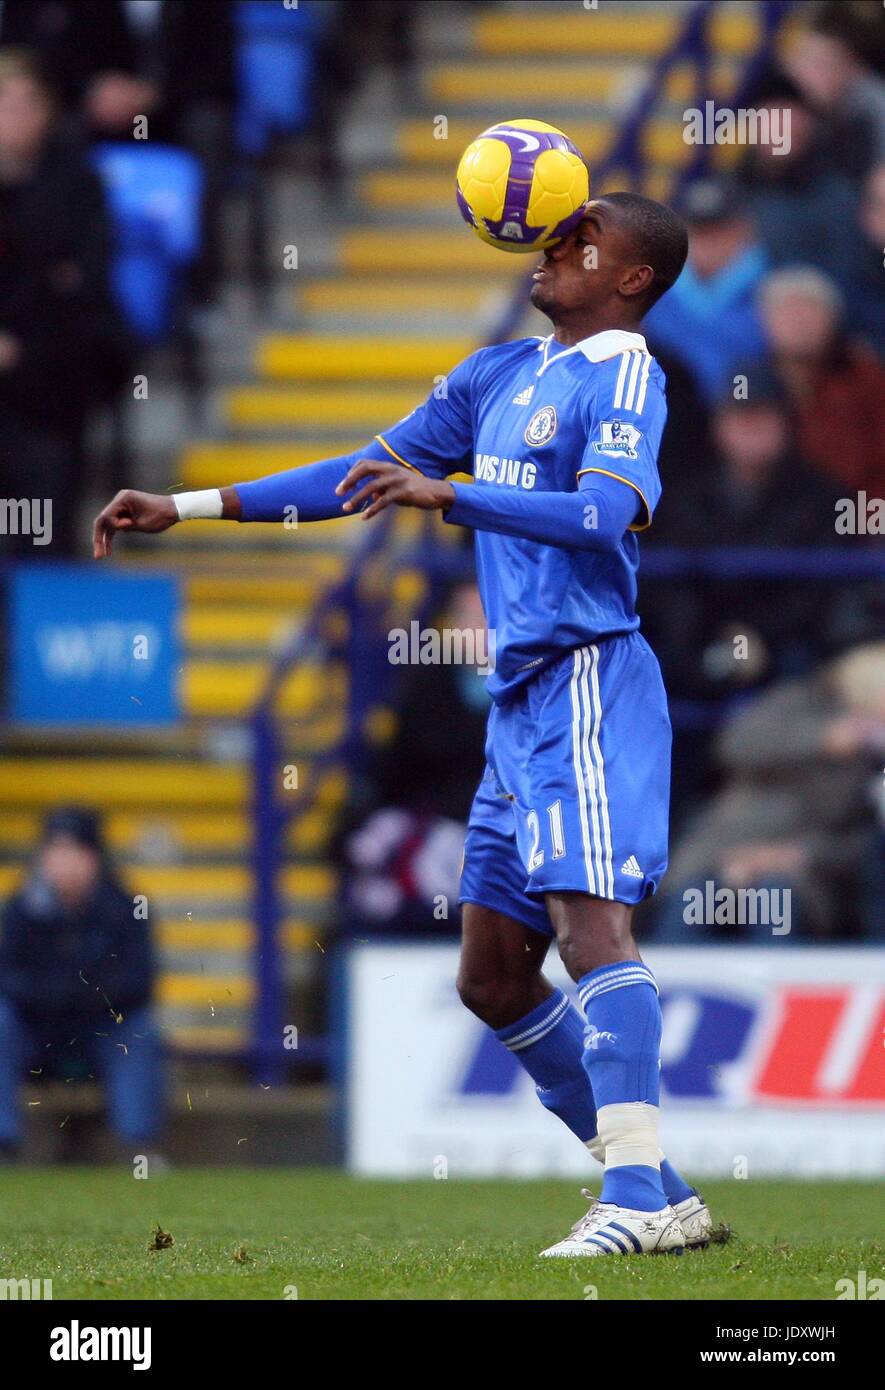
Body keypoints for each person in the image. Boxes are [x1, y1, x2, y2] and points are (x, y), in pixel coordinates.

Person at [93, 192, 709, 1258]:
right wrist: (188, 506)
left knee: (591, 931)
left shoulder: (627, 371)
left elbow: (610, 510)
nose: (554, 244)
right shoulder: (497, 373)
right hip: (519, 704)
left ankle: (640, 1198)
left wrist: (451, 495)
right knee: (492, 977)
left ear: (632, 280)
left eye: (585, 238)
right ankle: (658, 1183)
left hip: (587, 679)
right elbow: (357, 476)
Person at [0, 808, 164, 1158]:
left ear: (96, 857)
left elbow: (140, 983)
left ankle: (136, 1148)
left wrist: (74, 995)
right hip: (38, 1031)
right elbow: (8, 979)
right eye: (58, 850)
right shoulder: (19, 911)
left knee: (139, 1033)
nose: (67, 862)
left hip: (102, 1030)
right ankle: (4, 1141)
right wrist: (68, 993)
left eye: (77, 850)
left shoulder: (128, 908)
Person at [758, 266, 885, 496]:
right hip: (775, 515)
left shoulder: (866, 377)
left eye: (810, 312)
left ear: (833, 320)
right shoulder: (748, 381)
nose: (799, 324)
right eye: (788, 313)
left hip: (855, 510)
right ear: (766, 322)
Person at [643, 178, 769, 405]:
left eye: (720, 230)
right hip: (673, 420)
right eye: (699, 230)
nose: (709, 242)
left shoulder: (774, 291)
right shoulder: (651, 294)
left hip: (747, 414)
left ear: (745, 229)